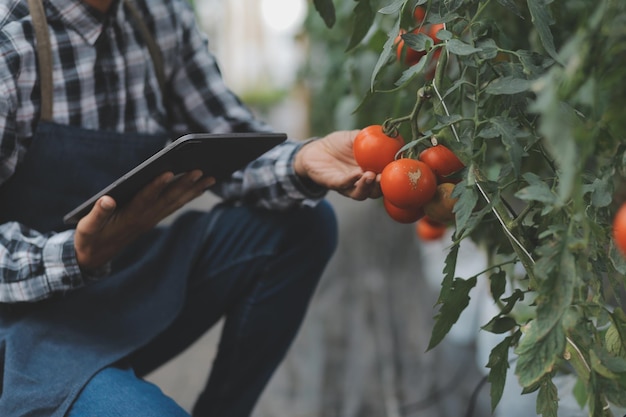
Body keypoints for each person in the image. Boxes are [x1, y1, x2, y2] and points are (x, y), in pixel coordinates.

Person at [0, 0, 381, 416]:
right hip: (22, 327)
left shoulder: (159, 16)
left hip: (123, 283)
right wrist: (75, 255)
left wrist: (302, 161)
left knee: (304, 225)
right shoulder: (10, 36)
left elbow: (226, 136)